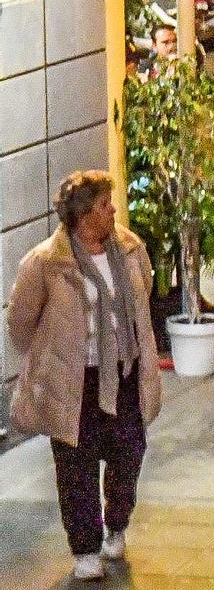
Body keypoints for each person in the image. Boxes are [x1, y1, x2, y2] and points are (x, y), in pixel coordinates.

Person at [6, 170, 162, 584]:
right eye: (104, 206)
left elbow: (143, 295)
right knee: (76, 466)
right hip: (74, 382)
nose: (113, 210)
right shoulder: (45, 262)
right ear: (82, 216)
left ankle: (117, 522)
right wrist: (53, 355)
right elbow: (20, 322)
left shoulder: (129, 249)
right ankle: (85, 548)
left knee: (129, 452)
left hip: (122, 373)